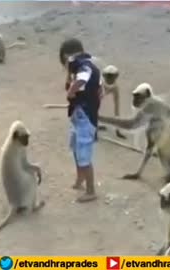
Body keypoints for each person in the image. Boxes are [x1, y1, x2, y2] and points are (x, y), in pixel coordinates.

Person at [59, 38, 102, 203]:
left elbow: (82, 79)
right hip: (79, 117)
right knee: (77, 150)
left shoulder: (83, 65)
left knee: (84, 155)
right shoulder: (87, 66)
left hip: (85, 118)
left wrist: (71, 90)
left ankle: (91, 190)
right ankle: (80, 179)